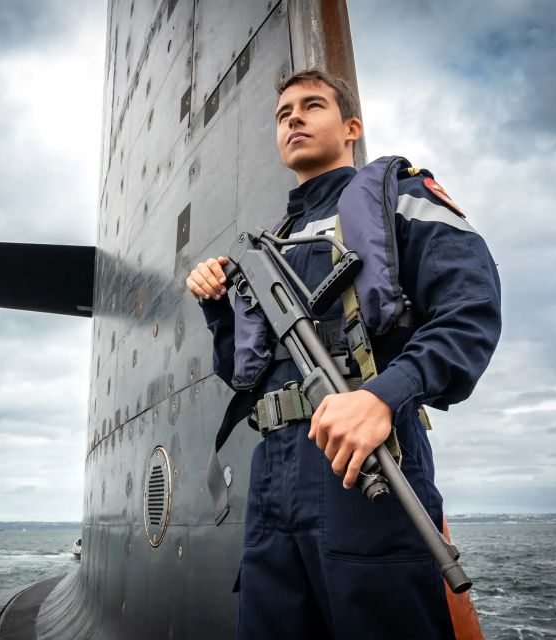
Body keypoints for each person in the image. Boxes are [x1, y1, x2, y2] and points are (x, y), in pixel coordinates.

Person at [186, 68, 501, 639]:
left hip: (367, 464)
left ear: (351, 126)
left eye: (311, 107)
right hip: (273, 481)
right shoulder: (269, 245)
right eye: (284, 115)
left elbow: (470, 312)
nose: (295, 120)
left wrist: (384, 396)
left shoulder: (398, 199)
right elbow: (243, 373)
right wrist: (216, 306)